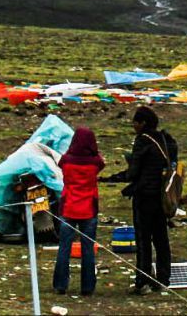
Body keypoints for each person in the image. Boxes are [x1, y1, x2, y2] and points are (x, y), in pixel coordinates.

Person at [107, 105, 178, 294]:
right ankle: (163, 278)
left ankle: (142, 280)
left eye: (135, 123)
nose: (133, 126)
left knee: (143, 240)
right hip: (162, 198)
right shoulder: (165, 139)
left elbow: (133, 172)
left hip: (145, 197)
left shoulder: (143, 141)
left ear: (143, 123)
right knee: (161, 238)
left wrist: (116, 177)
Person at [53, 125, 105, 297]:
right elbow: (101, 163)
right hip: (88, 209)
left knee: (64, 248)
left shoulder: (66, 160)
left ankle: (61, 284)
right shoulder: (95, 162)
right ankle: (87, 287)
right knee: (88, 249)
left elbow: (61, 163)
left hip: (69, 207)